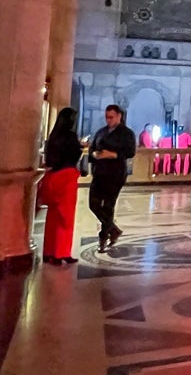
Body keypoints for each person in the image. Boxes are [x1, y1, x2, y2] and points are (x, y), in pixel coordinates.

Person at [37, 109, 82, 265]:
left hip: (52, 177)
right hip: (66, 177)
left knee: (53, 216)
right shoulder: (70, 137)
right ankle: (61, 253)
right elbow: (75, 154)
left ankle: (48, 252)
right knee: (65, 218)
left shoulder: (53, 137)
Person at [89, 105, 137, 251]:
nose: (108, 120)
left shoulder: (127, 133)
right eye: (107, 117)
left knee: (108, 206)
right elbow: (92, 149)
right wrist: (95, 155)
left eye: (111, 117)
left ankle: (103, 237)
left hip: (115, 174)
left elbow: (130, 151)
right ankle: (113, 229)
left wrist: (113, 154)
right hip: (99, 173)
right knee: (94, 204)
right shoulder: (101, 132)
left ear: (119, 116)